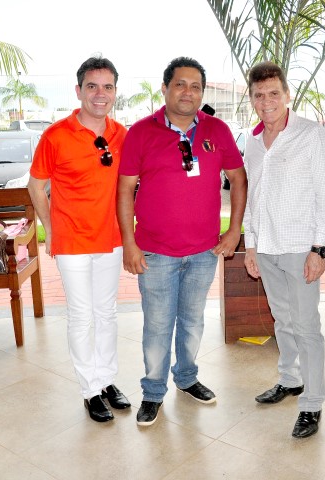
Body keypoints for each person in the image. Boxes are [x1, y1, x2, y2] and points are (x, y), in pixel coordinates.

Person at [118, 56, 247, 427]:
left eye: (195, 86)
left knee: (192, 322)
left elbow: (238, 179)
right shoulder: (141, 132)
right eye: (180, 84)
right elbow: (124, 190)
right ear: (165, 88)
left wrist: (233, 230)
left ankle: (187, 378)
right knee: (158, 326)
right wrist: (129, 243)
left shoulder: (217, 130)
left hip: (204, 251)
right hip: (155, 252)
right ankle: (153, 392)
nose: (188, 92)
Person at [28, 56, 130, 423]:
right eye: (92, 86)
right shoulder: (56, 135)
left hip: (112, 238)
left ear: (115, 92)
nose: (100, 94)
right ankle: (90, 390)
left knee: (106, 313)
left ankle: (106, 380)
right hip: (72, 241)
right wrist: (51, 228)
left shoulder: (122, 135)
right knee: (82, 315)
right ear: (78, 91)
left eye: (107, 87)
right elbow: (36, 186)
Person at [242, 61, 325, 438]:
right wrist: (250, 246)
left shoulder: (310, 134)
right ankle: (290, 379)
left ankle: (312, 403)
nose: (267, 101)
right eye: (259, 95)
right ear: (252, 98)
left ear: (287, 95)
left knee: (307, 326)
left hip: (299, 247)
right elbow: (252, 198)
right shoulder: (251, 141)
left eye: (274, 94)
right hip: (266, 247)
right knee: (282, 319)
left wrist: (319, 249)